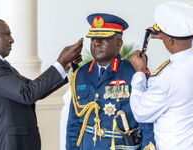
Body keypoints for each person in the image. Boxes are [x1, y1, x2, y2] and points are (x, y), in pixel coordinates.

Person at [0, 18, 83, 150]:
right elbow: (27, 94)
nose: (11, 39)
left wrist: (64, 66)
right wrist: (60, 61)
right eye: (6, 34)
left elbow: (32, 89)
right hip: (2, 143)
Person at [129, 2, 193, 150]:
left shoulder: (164, 79)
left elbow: (140, 112)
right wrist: (170, 33)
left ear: (169, 40)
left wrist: (139, 73)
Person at [66, 13, 155, 150]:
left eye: (103, 38)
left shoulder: (135, 73)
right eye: (94, 38)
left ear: (119, 44)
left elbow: (147, 123)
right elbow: (74, 124)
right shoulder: (81, 74)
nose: (96, 42)